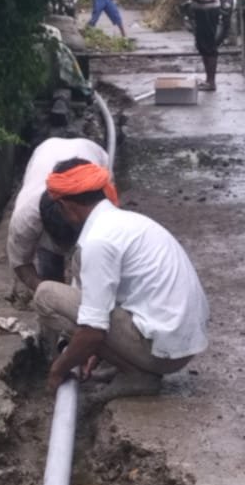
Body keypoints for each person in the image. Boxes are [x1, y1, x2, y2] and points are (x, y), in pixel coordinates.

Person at [34, 157, 209, 403]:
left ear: (66, 205)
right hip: (180, 345)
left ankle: (136, 374)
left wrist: (58, 370)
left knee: (46, 295)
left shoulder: (99, 240)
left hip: (162, 354)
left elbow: (93, 331)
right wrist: (99, 351)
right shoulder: (128, 222)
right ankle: (128, 365)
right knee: (81, 276)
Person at [6, 135, 115, 296]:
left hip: (91, 153)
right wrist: (47, 291)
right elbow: (20, 263)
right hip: (45, 150)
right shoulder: (25, 219)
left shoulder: (100, 206)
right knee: (50, 266)